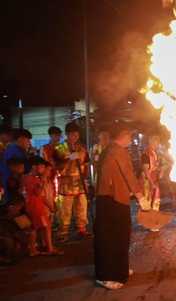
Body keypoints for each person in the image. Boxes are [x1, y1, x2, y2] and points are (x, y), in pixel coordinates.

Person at [94, 121, 150, 290]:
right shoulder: (118, 152)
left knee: (119, 236)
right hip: (112, 201)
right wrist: (141, 198)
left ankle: (119, 269)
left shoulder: (108, 150)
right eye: (130, 136)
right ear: (125, 135)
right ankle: (106, 276)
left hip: (112, 199)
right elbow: (129, 176)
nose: (131, 140)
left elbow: (118, 176)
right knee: (112, 238)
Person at [54, 123, 91, 241]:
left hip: (80, 182)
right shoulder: (59, 148)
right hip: (66, 181)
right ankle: (63, 231)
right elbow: (58, 166)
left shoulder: (82, 148)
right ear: (67, 134)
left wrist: (85, 179)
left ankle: (81, 228)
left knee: (81, 206)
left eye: (77, 135)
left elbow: (86, 165)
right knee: (65, 208)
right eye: (73, 135)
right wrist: (68, 159)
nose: (75, 137)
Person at [23, 156, 63, 257]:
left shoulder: (24, 178)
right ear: (34, 167)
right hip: (37, 207)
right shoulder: (35, 180)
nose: (42, 169)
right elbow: (39, 193)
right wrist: (44, 182)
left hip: (29, 206)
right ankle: (49, 249)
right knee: (46, 226)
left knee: (34, 228)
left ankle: (33, 250)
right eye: (41, 166)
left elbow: (21, 191)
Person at [40, 126, 62, 227]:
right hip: (49, 177)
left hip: (58, 176)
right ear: (51, 135)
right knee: (49, 198)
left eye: (59, 135)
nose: (58, 137)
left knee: (58, 197)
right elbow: (44, 164)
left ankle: (56, 220)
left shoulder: (60, 148)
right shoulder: (44, 149)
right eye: (56, 135)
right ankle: (50, 221)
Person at [1, 128, 32, 198]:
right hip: (14, 187)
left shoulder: (10, 150)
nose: (29, 142)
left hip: (7, 185)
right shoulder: (17, 152)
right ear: (20, 139)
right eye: (28, 140)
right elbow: (25, 170)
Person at [139, 133, 163, 213]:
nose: (157, 142)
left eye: (158, 141)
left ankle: (153, 217)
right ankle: (147, 219)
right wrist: (151, 183)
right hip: (147, 181)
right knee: (148, 200)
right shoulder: (146, 154)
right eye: (156, 140)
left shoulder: (153, 153)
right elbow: (146, 170)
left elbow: (153, 166)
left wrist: (160, 170)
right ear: (150, 141)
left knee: (155, 199)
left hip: (153, 180)